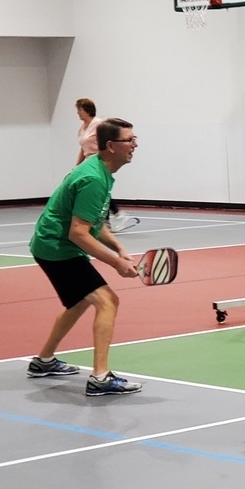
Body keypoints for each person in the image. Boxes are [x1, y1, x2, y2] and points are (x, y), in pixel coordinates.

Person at [28, 118, 143, 396]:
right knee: (108, 301)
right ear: (110, 146)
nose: (135, 145)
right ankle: (100, 378)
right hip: (57, 247)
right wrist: (116, 264)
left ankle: (43, 361)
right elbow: (78, 234)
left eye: (134, 138)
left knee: (80, 302)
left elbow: (94, 224)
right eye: (129, 140)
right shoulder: (93, 178)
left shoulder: (100, 172)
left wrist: (120, 249)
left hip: (53, 244)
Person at [76, 98, 138, 233]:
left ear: (87, 110)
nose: (78, 113)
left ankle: (110, 220)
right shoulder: (82, 128)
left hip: (98, 160)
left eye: (80, 110)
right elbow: (82, 147)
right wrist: (77, 166)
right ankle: (112, 218)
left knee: (102, 191)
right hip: (88, 161)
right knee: (99, 192)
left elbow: (104, 141)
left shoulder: (98, 124)